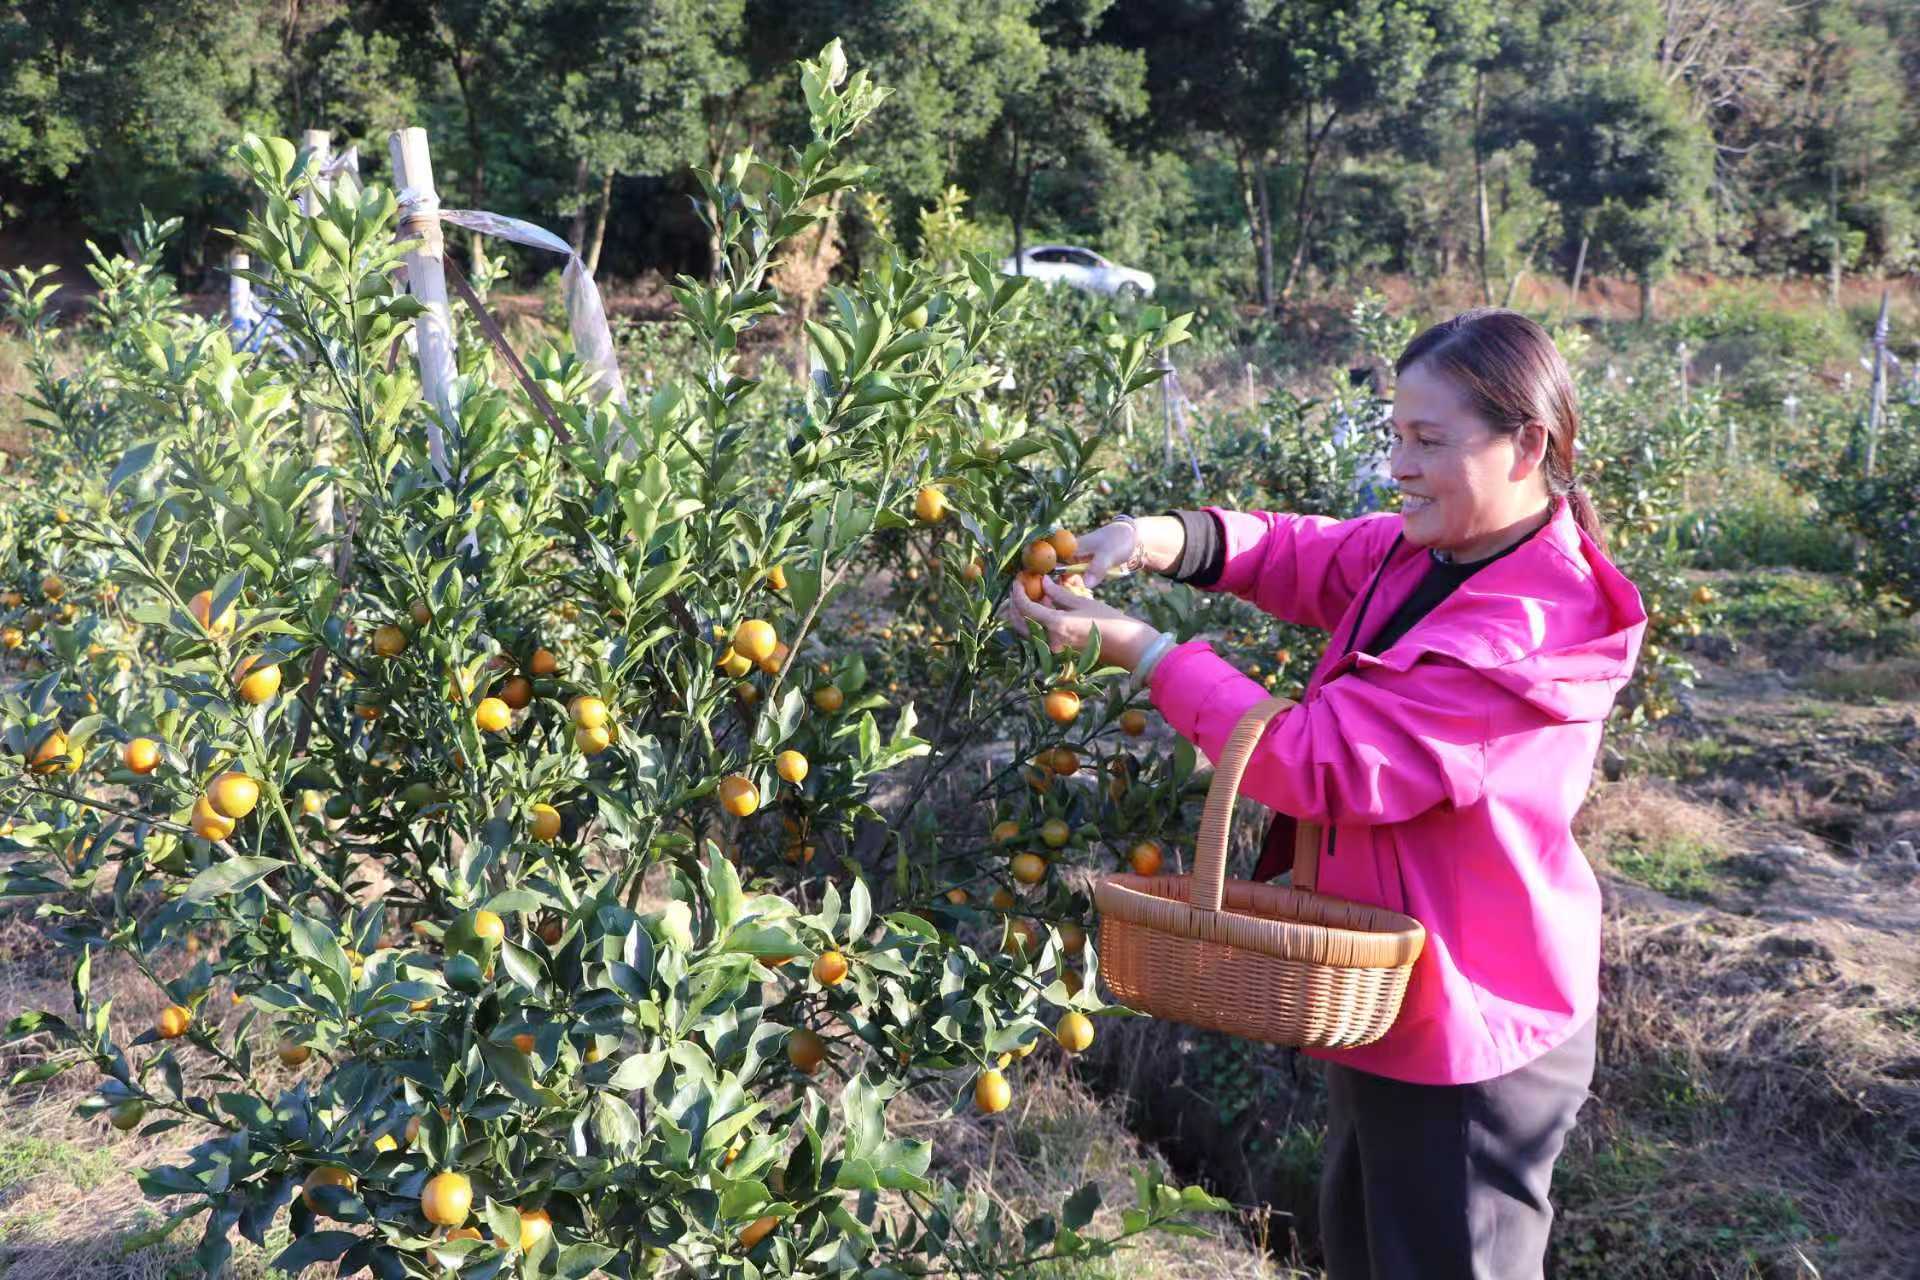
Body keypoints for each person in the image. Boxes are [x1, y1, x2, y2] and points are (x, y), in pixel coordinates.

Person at [1007, 308, 1646, 1280]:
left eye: (1428, 441)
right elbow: (1298, 554)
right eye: (1396, 435)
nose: (1399, 466)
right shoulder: (1437, 553)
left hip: (1473, 1020)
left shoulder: (1520, 628)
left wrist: (1147, 652)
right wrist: (1156, 538)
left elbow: (1316, 764)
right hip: (1394, 991)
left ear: (1528, 445)